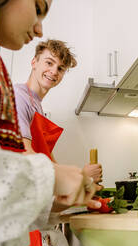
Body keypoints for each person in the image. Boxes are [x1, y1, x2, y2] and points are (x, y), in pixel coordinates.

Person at [0, 0, 100, 246]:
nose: (39, 30)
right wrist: (52, 177)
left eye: (60, 69)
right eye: (37, 9)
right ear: (34, 62)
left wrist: (57, 192)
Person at [14, 39, 103, 185]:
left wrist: (81, 182)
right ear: (34, 63)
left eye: (60, 69)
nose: (54, 71)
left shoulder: (38, 107)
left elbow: (49, 160)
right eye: (49, 63)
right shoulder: (18, 96)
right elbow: (24, 155)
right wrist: (80, 176)